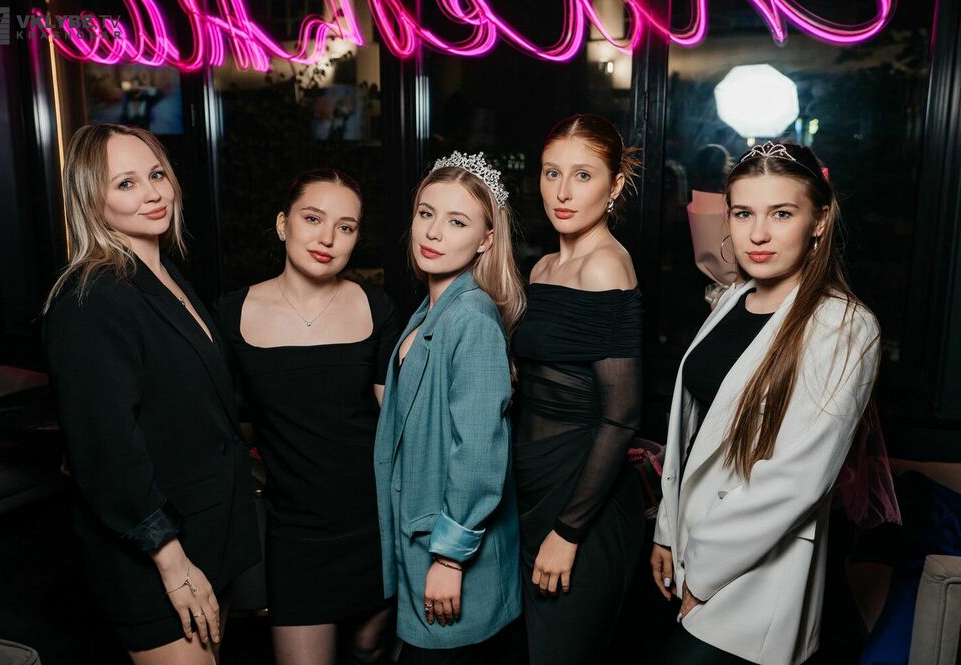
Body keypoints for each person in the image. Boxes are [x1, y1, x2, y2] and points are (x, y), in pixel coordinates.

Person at [650, 142, 881, 665]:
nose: (757, 234)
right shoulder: (732, 299)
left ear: (819, 220)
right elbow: (691, 432)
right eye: (743, 213)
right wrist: (667, 530)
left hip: (755, 578)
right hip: (691, 549)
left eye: (781, 213)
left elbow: (795, 480)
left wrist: (702, 571)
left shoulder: (843, 326)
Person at [43, 123, 260, 664]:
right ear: (90, 198)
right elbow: (108, 450)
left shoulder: (165, 276)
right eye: (126, 183)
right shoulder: (90, 297)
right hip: (157, 555)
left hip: (205, 534)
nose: (152, 193)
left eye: (157, 175)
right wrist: (171, 560)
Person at [214, 169, 397, 665]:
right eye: (313, 218)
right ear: (282, 224)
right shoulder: (230, 314)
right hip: (295, 533)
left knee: (368, 648)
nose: (327, 238)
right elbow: (219, 423)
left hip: (376, 525)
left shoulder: (377, 307)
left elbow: (401, 425)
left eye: (346, 226)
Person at [373, 152, 525, 664]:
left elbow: (478, 452)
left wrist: (451, 558)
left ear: (485, 240)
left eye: (457, 221)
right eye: (426, 213)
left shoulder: (472, 317)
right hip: (420, 541)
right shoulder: (432, 306)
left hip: (448, 553)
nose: (434, 232)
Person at [511, 113, 646, 665]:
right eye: (552, 173)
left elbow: (622, 415)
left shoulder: (605, 267)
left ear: (615, 185)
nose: (562, 192)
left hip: (579, 500)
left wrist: (568, 532)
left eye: (583, 175)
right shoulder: (543, 268)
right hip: (534, 491)